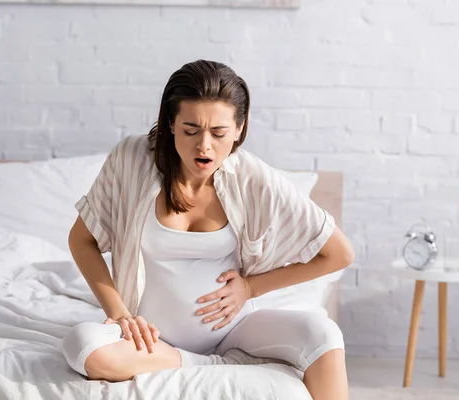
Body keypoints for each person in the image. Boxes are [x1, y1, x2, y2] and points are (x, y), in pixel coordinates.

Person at [61, 59, 355, 400]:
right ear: (170, 124)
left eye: (219, 133)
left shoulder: (253, 177)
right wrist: (120, 313)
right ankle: (197, 363)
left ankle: (213, 358)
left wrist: (250, 286)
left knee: (322, 333)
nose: (204, 146)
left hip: (235, 331)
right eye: (190, 130)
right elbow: (81, 239)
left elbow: (339, 253)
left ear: (240, 129)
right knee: (82, 346)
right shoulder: (132, 158)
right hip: (152, 344)